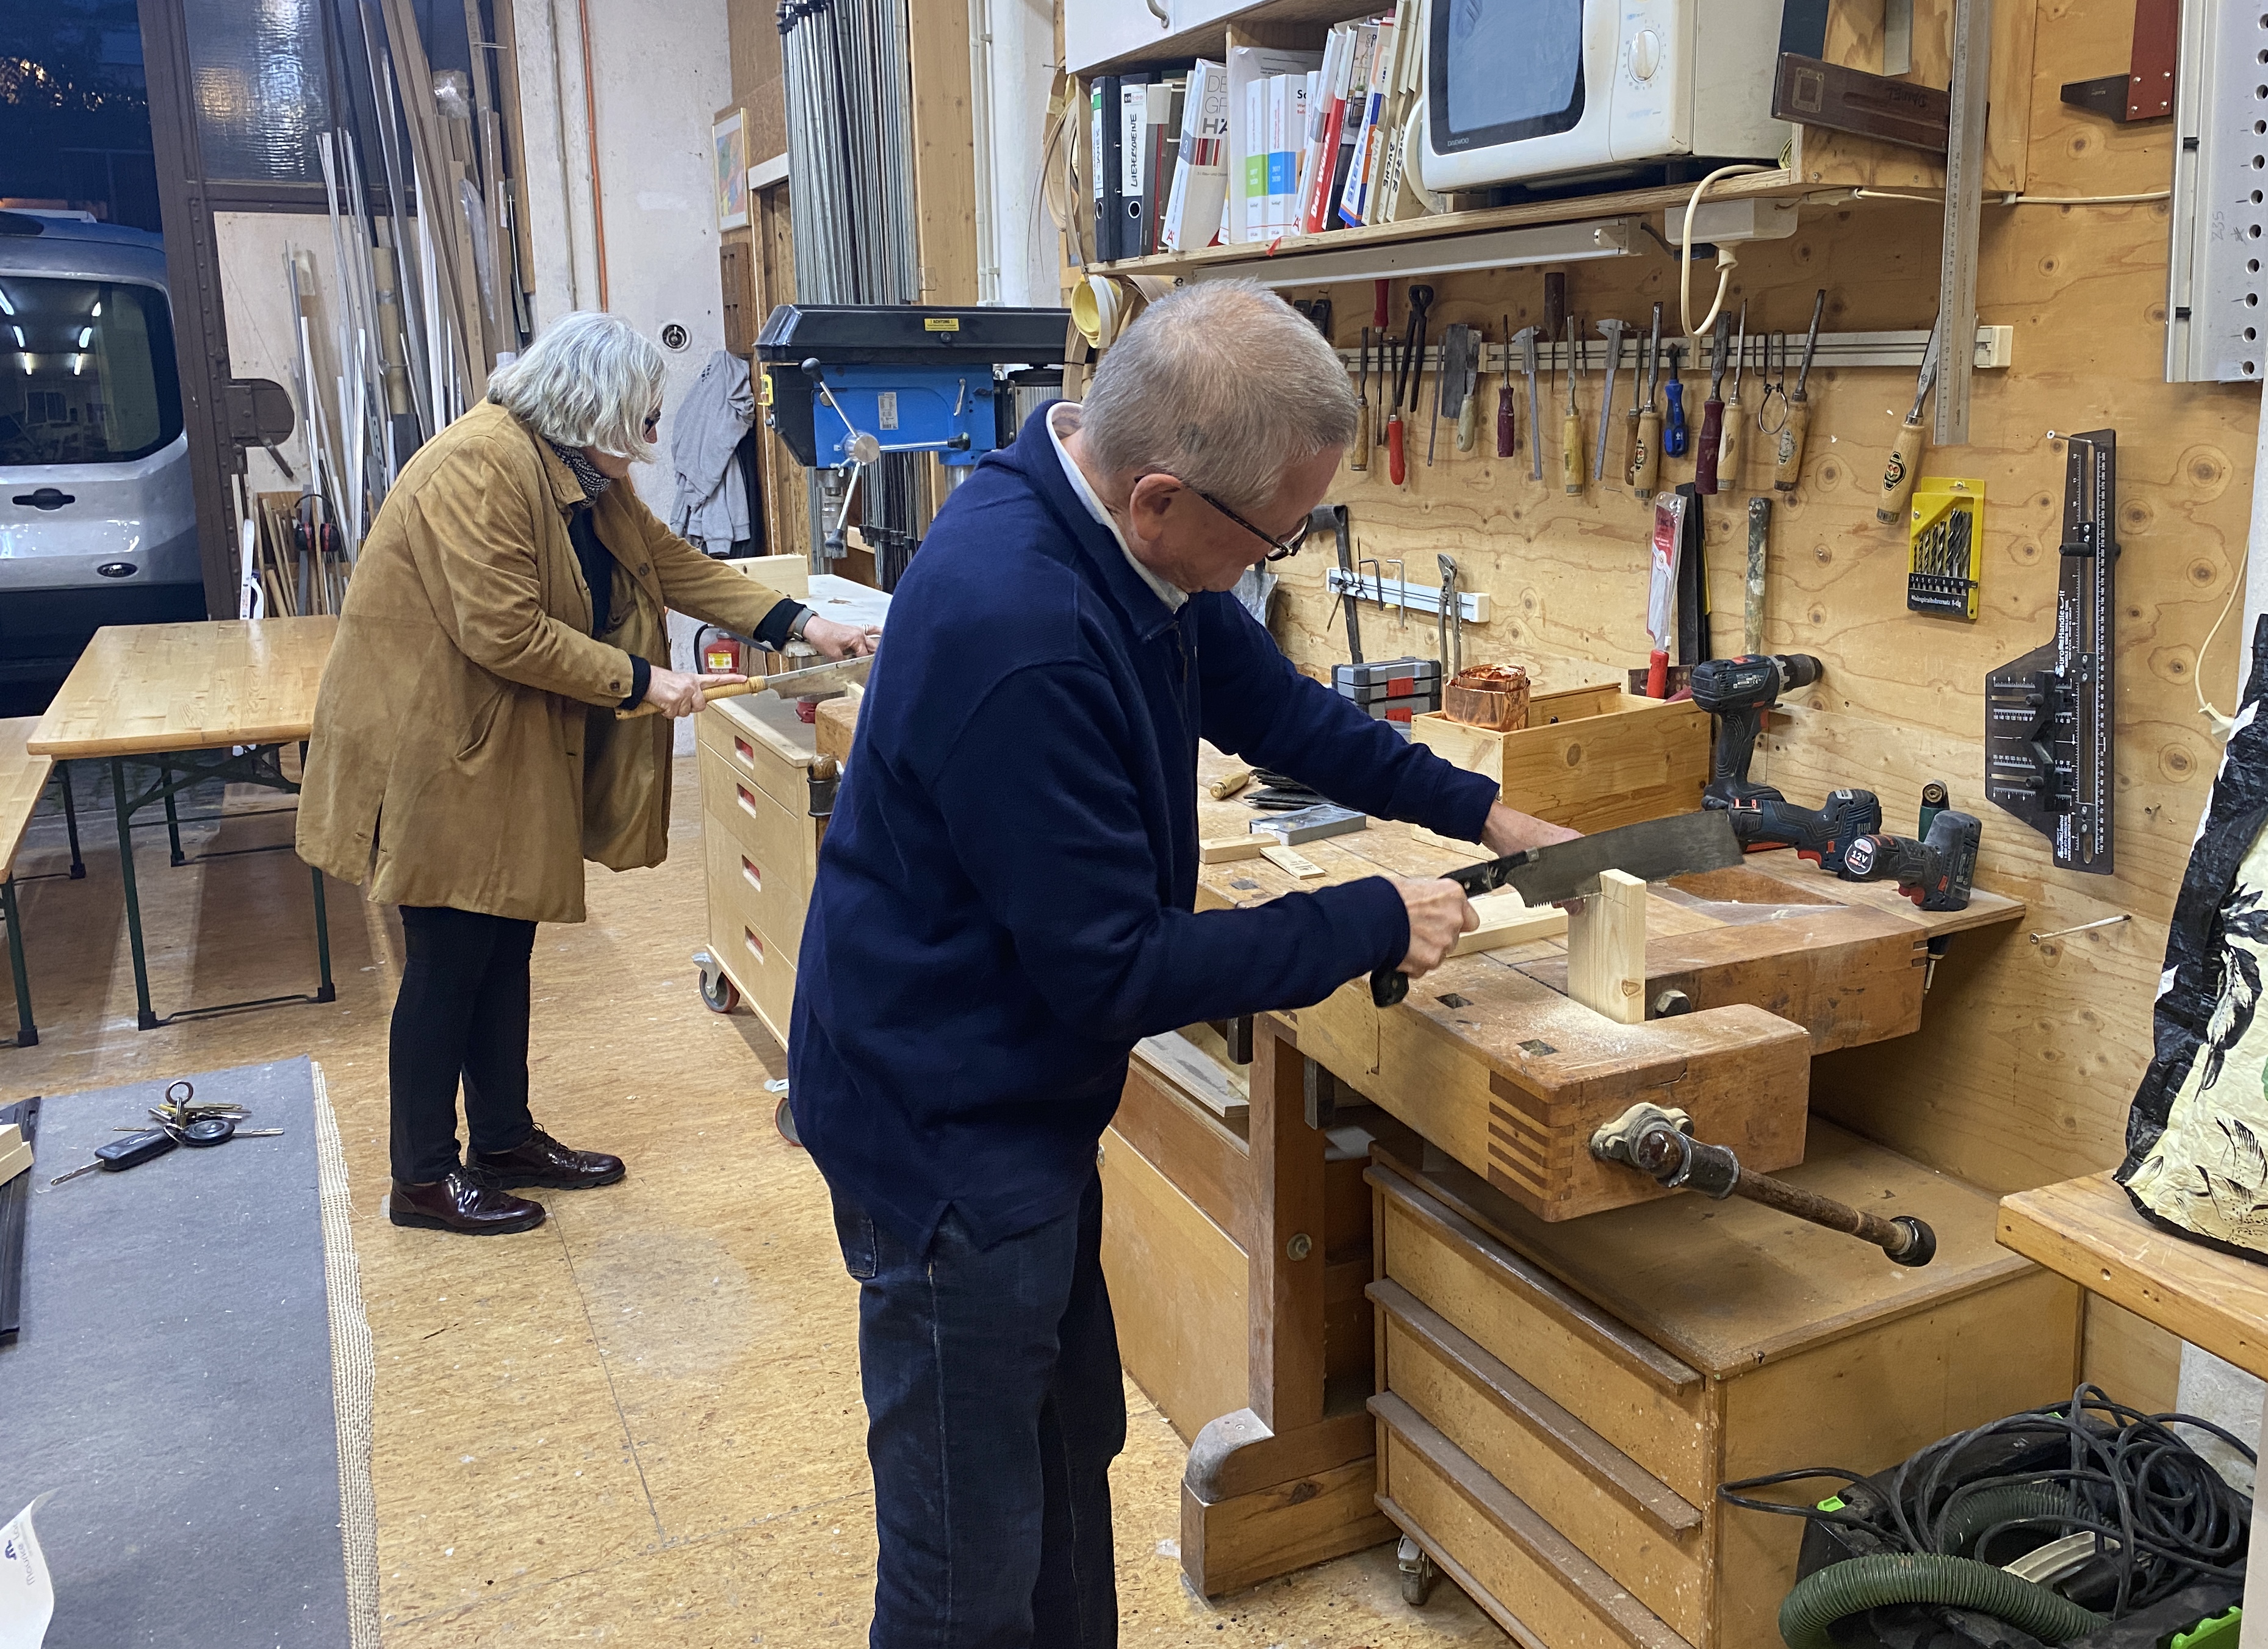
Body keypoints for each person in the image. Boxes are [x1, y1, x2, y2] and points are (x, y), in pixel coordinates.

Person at [788, 279, 1575, 1645]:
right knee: (964, 1557)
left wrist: (1480, 810)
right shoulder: (1019, 628)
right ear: (1161, 497)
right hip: (941, 1131)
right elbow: (1116, 973)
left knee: (1066, 1444)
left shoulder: (1105, 530)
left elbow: (1275, 707)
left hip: (1016, 1100)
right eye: (1275, 534)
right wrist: (1375, 919)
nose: (1275, 559)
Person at [299, 311, 877, 1238]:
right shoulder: (478, 466)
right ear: (593, 411)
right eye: (643, 422)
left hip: (503, 744)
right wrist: (645, 682)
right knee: (448, 960)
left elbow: (670, 562)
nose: (653, 441)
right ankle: (419, 1177)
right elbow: (503, 630)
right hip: (437, 748)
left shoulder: (576, 471)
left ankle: (503, 1138)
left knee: (503, 947)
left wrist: (800, 624)